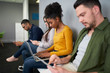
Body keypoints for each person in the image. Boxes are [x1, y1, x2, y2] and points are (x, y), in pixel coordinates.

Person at [44, 0, 110, 73]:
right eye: (78, 17)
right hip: (70, 66)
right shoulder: (84, 31)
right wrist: (60, 60)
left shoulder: (107, 33)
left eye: (82, 15)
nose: (80, 20)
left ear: (95, 10)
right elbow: (72, 55)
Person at [23, 2, 73, 73]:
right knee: (27, 60)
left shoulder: (67, 30)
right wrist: (45, 51)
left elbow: (69, 51)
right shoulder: (56, 29)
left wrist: (49, 54)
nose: (50, 25)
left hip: (60, 57)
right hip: (53, 53)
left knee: (27, 63)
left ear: (57, 19)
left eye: (50, 22)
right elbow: (55, 45)